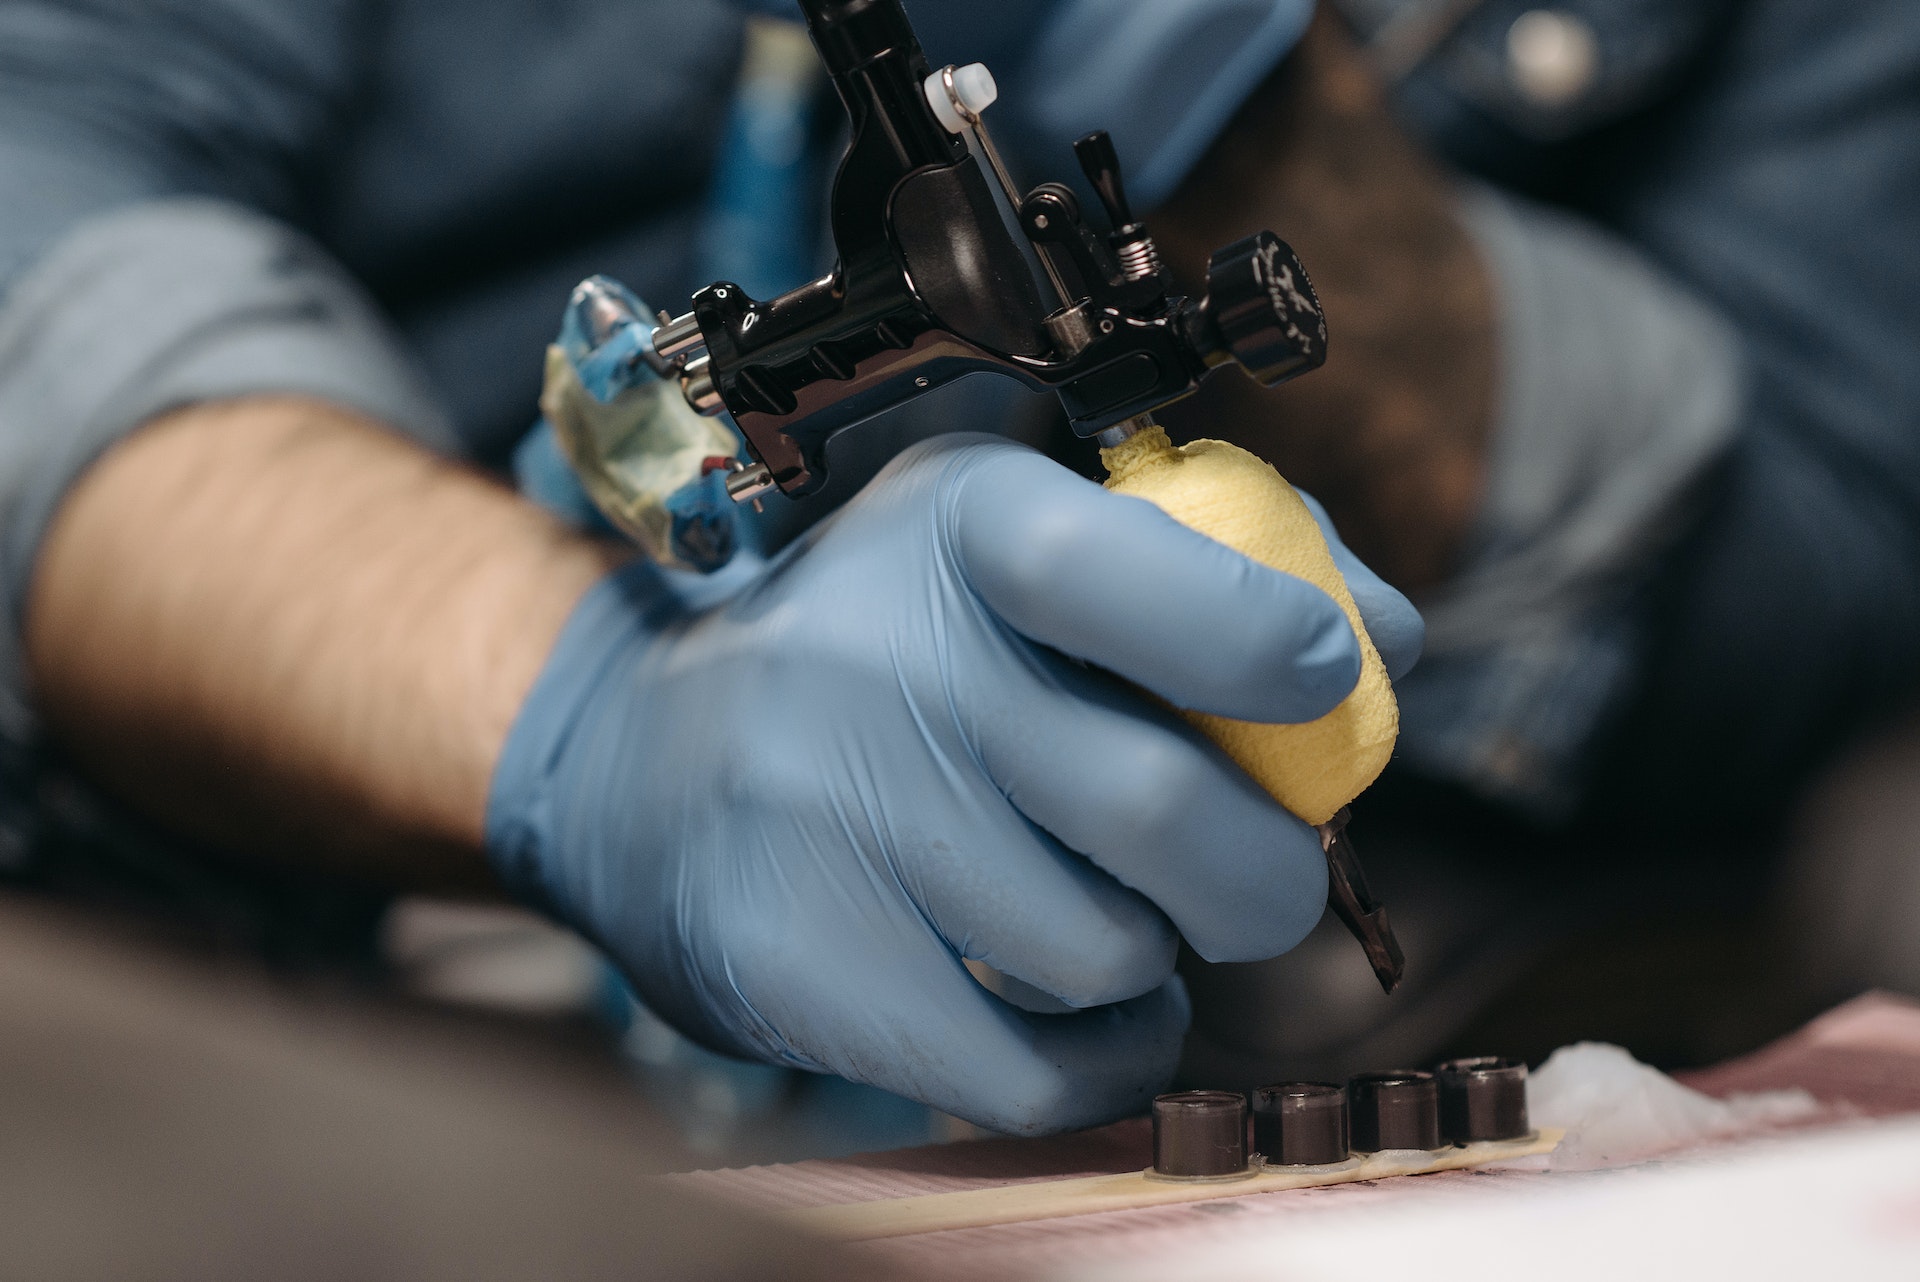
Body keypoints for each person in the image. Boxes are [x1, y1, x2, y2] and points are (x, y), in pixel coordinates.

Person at [0, 0, 1912, 1132]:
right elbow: (44, 218)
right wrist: (569, 706)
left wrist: (1231, 111)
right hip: (295, 954)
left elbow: (1822, 555)